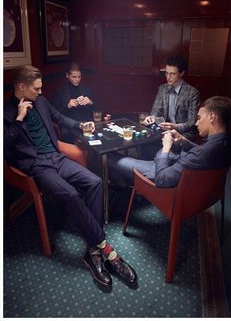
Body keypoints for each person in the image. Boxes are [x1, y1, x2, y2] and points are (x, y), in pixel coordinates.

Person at [4, 65, 137, 289]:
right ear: (20, 87)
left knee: (95, 182)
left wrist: (80, 124)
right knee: (72, 195)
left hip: (56, 157)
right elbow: (6, 146)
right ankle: (108, 251)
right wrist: (19, 118)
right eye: (36, 88)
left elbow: (61, 118)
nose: (40, 91)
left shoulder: (42, 102)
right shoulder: (6, 113)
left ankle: (92, 252)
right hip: (37, 166)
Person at [108, 96, 231, 188]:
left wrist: (166, 148)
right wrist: (184, 140)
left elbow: (162, 179)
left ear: (211, 117)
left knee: (110, 158)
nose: (196, 123)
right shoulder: (224, 141)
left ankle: (123, 185)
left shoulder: (203, 154)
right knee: (154, 150)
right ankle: (122, 181)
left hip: (165, 175)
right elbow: (202, 152)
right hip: (180, 170)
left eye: (199, 118)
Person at [140, 56, 200, 159]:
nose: (168, 77)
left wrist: (175, 126)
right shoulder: (162, 88)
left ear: (182, 73)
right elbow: (155, 110)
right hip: (164, 129)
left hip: (183, 133)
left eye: (172, 74)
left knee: (167, 146)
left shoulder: (192, 93)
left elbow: (192, 122)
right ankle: (147, 168)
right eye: (166, 73)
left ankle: (163, 166)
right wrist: (151, 117)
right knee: (143, 140)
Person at [52, 62, 96, 143]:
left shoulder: (86, 89)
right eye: (74, 77)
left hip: (86, 122)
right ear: (67, 75)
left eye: (79, 77)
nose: (77, 79)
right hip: (69, 126)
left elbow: (97, 109)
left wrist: (91, 102)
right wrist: (67, 106)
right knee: (81, 142)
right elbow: (55, 115)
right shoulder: (60, 91)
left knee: (98, 138)